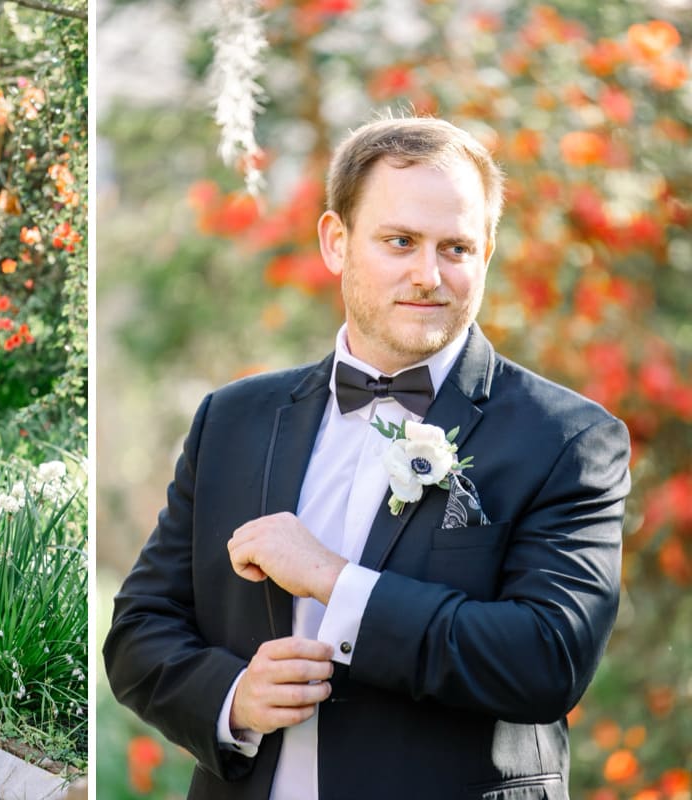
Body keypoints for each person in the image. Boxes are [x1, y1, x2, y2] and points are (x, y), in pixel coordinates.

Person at [103, 116, 631, 799]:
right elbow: (140, 630)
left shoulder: (565, 438)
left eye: (457, 248)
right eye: (400, 242)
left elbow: (546, 660)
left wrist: (333, 580)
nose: (428, 274)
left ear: (487, 254)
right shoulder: (232, 421)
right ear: (336, 241)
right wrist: (233, 696)